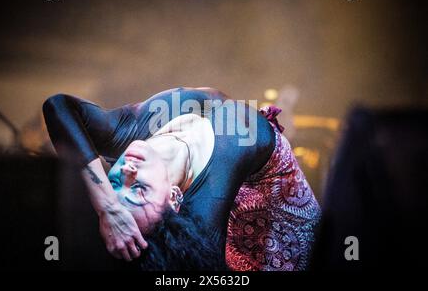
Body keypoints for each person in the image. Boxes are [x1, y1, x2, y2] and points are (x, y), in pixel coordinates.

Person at [42, 87, 320, 270]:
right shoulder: (210, 193)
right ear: (175, 197)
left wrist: (107, 208)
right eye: (139, 190)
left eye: (113, 184)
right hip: (281, 246)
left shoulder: (128, 134)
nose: (127, 172)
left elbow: (57, 106)